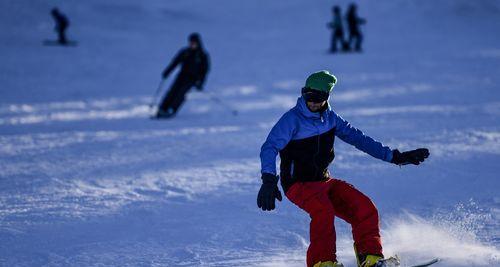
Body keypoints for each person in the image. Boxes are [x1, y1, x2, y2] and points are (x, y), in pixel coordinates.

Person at [257, 71, 429, 267]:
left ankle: (370, 258)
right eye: (308, 96)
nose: (312, 102)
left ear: (327, 97)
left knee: (364, 207)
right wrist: (269, 179)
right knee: (323, 212)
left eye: (318, 98)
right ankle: (322, 263)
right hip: (299, 184)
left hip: (323, 181)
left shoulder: (331, 119)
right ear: (303, 93)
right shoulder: (292, 119)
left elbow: (359, 139)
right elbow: (269, 147)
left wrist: (394, 157)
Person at [155, 33, 210, 118]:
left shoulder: (202, 55)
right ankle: (162, 109)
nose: (192, 44)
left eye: (194, 43)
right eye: (191, 42)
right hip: (181, 76)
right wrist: (167, 72)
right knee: (172, 92)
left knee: (180, 94)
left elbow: (205, 71)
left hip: (192, 79)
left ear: (198, 43)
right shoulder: (185, 52)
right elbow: (175, 62)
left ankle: (172, 110)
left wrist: (200, 82)